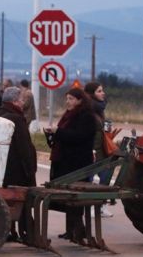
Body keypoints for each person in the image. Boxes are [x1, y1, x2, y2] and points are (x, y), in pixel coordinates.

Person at [45, 88, 97, 241]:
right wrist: (52, 134)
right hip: (64, 160)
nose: (68, 102)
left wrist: (58, 132)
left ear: (80, 100)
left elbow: (80, 137)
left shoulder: (86, 117)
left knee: (74, 198)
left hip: (77, 162)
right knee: (67, 198)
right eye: (67, 98)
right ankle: (71, 230)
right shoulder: (68, 115)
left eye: (71, 99)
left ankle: (78, 230)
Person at [0, 87, 37, 188]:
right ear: (15, 101)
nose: (23, 103)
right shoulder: (17, 119)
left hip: (2, 170)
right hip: (17, 173)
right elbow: (24, 147)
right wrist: (30, 171)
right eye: (22, 100)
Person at [84, 81, 114, 218]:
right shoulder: (87, 110)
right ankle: (89, 205)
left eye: (102, 90)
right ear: (91, 94)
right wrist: (90, 149)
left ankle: (101, 205)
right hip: (92, 150)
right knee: (89, 178)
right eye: (99, 91)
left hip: (102, 149)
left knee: (106, 175)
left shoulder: (100, 109)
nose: (103, 93)